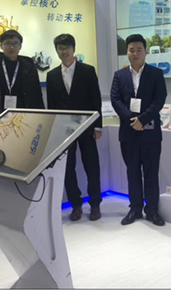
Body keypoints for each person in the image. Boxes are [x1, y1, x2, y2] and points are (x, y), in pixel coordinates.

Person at [110, 34, 167, 226]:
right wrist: (131, 120)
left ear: (146, 52)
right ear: (127, 52)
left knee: (151, 173)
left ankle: (152, 210)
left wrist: (142, 119)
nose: (135, 54)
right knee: (132, 172)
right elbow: (115, 100)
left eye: (139, 50)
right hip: (128, 133)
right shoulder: (119, 76)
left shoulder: (156, 74)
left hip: (150, 132)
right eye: (131, 50)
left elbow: (159, 99)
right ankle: (135, 209)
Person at [46, 33, 103, 222]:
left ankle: (95, 204)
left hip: (87, 126)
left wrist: (98, 127)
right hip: (64, 130)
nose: (64, 51)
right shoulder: (52, 75)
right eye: (60, 48)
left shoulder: (87, 71)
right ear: (57, 50)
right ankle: (76, 204)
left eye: (67, 47)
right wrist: (54, 131)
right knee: (67, 168)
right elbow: (51, 105)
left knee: (91, 166)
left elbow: (96, 99)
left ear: (73, 49)